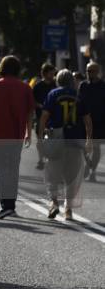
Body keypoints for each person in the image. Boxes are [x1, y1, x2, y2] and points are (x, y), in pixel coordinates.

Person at [0, 55, 35, 219]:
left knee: (1, 171)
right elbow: (30, 112)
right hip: (16, 135)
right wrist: (29, 132)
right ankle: (11, 205)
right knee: (13, 170)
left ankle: (5, 205)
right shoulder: (25, 87)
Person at [38, 69, 92, 220]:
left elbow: (44, 117)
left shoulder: (53, 94)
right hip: (75, 139)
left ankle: (54, 203)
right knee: (72, 176)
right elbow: (87, 120)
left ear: (58, 80)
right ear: (71, 81)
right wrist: (89, 140)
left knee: (52, 174)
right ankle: (68, 209)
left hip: (57, 139)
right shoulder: (78, 95)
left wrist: (41, 136)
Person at [78, 62, 105, 182]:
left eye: (91, 71)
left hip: (99, 121)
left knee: (96, 147)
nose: (89, 73)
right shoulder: (83, 85)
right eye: (87, 71)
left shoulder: (103, 86)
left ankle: (92, 171)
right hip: (84, 120)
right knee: (83, 146)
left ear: (97, 72)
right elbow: (78, 101)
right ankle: (88, 165)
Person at [33, 63, 57, 170]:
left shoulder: (55, 85)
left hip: (53, 117)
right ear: (45, 73)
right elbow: (32, 101)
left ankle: (50, 159)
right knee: (40, 139)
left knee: (53, 139)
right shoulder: (38, 86)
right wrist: (39, 105)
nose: (52, 75)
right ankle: (40, 160)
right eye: (50, 73)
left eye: (53, 73)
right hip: (40, 116)